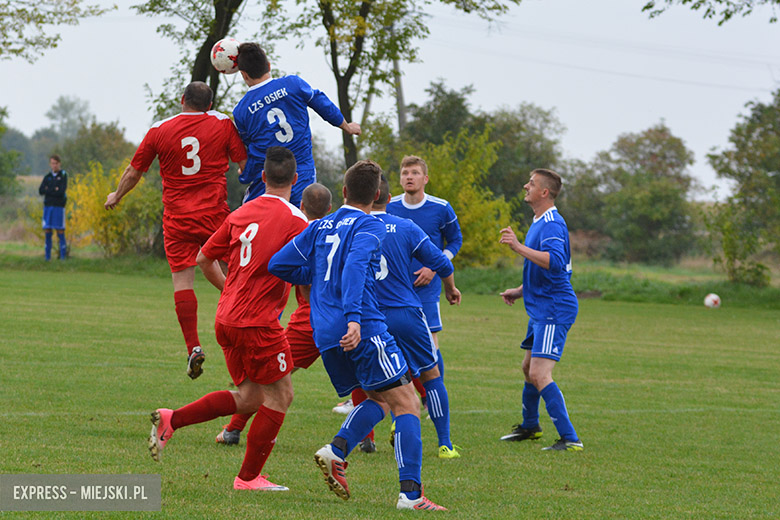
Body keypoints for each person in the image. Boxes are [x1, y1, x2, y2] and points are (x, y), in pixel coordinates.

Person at [269, 160, 449, 511]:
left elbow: (279, 264)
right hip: (362, 327)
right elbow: (353, 267)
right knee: (408, 402)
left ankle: (336, 451)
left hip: (324, 331)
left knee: (378, 399)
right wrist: (353, 318)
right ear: (379, 194)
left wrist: (320, 273)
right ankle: (411, 496)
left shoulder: (320, 225)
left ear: (345, 192)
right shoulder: (370, 225)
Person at [147, 146, 308, 492]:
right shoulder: (297, 221)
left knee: (250, 397)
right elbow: (307, 272)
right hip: (258, 323)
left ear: (262, 177)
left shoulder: (240, 214)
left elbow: (204, 258)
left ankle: (172, 419)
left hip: (226, 319)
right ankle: (248, 478)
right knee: (281, 396)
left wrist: (229, 290)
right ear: (295, 180)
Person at [105, 81, 247, 380]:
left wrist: (116, 196)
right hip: (214, 215)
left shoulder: (160, 129)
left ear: (182, 99)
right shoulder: (222, 123)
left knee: (183, 281)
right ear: (209, 104)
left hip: (177, 219)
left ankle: (193, 346)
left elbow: (135, 171)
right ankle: (246, 320)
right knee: (236, 271)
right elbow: (243, 163)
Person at [215, 182, 333, 446]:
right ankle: (362, 438)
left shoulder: (299, 232)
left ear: (302, 206)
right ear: (329, 209)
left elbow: (300, 275)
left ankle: (233, 429)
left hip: (309, 322)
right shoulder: (332, 234)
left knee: (273, 382)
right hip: (345, 320)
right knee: (372, 380)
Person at [373, 174, 462, 459]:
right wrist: (450, 289)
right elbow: (440, 263)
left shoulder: (348, 228)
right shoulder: (405, 226)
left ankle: (343, 445)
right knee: (432, 374)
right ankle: (445, 443)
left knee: (381, 383)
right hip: (406, 313)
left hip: (369, 317)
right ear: (390, 199)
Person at [497, 168, 583, 452]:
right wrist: (520, 291)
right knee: (527, 368)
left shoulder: (552, 224)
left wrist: (518, 247)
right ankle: (530, 425)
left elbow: (556, 263)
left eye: (531, 184)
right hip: (541, 307)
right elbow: (546, 270)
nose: (526, 186)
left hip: (554, 308)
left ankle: (570, 438)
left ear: (544, 192)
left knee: (539, 373)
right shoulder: (538, 222)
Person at [233, 42, 361, 207]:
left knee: (250, 222)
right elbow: (322, 104)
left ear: (244, 75)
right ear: (269, 65)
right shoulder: (293, 84)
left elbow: (253, 151)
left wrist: (246, 175)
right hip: (301, 173)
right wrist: (346, 126)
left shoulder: (241, 110)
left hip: (268, 181)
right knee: (304, 224)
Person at [386, 155, 462, 404]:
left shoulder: (441, 208)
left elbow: (455, 241)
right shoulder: (390, 207)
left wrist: (435, 266)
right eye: (405, 172)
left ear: (425, 178)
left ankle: (433, 396)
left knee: (429, 341)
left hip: (427, 287)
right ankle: (402, 394)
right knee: (395, 342)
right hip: (395, 286)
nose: (409, 176)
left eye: (415, 172)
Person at [39, 154, 68, 260]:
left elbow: (61, 191)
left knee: (60, 230)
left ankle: (63, 258)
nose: (54, 165)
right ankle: (47, 258)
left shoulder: (63, 175)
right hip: (48, 206)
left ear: (59, 164)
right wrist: (53, 189)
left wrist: (49, 190)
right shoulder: (47, 177)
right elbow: (41, 190)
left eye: (56, 163)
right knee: (47, 230)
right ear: (50, 164)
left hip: (59, 207)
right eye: (52, 163)